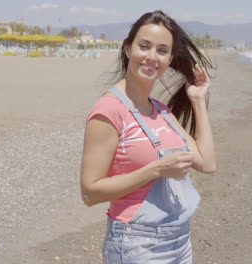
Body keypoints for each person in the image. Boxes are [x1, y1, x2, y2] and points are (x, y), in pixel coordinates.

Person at [80, 10, 217, 264]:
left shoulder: (161, 111)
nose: (152, 56)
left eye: (162, 50)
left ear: (170, 58)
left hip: (179, 241)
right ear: (128, 49)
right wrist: (155, 170)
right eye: (144, 46)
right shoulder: (110, 109)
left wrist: (198, 101)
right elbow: (90, 193)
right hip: (137, 245)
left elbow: (207, 164)